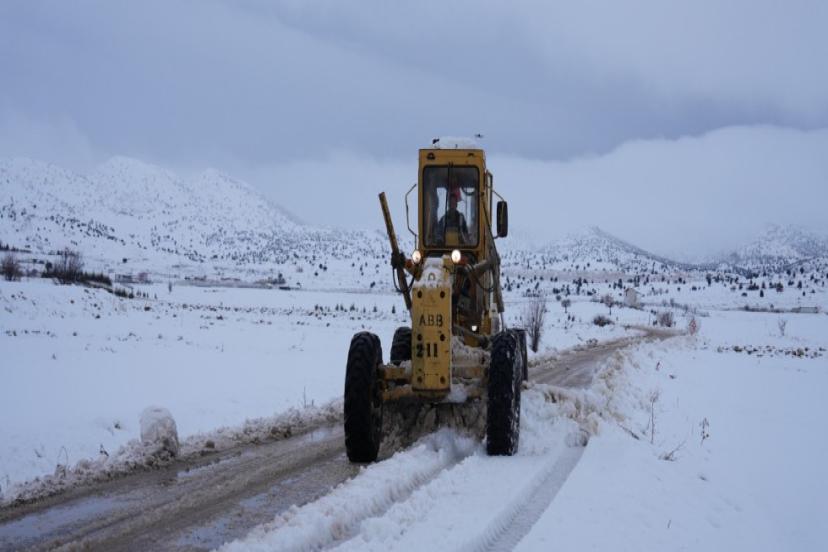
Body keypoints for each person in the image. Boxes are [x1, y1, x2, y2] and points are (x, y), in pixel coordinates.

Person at [435, 179, 471, 245]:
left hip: (460, 251)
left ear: (456, 205)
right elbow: (439, 233)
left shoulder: (461, 219)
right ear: (448, 204)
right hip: (446, 250)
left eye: (454, 203)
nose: (452, 205)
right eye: (451, 203)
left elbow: (466, 234)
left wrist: (464, 239)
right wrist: (439, 240)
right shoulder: (443, 220)